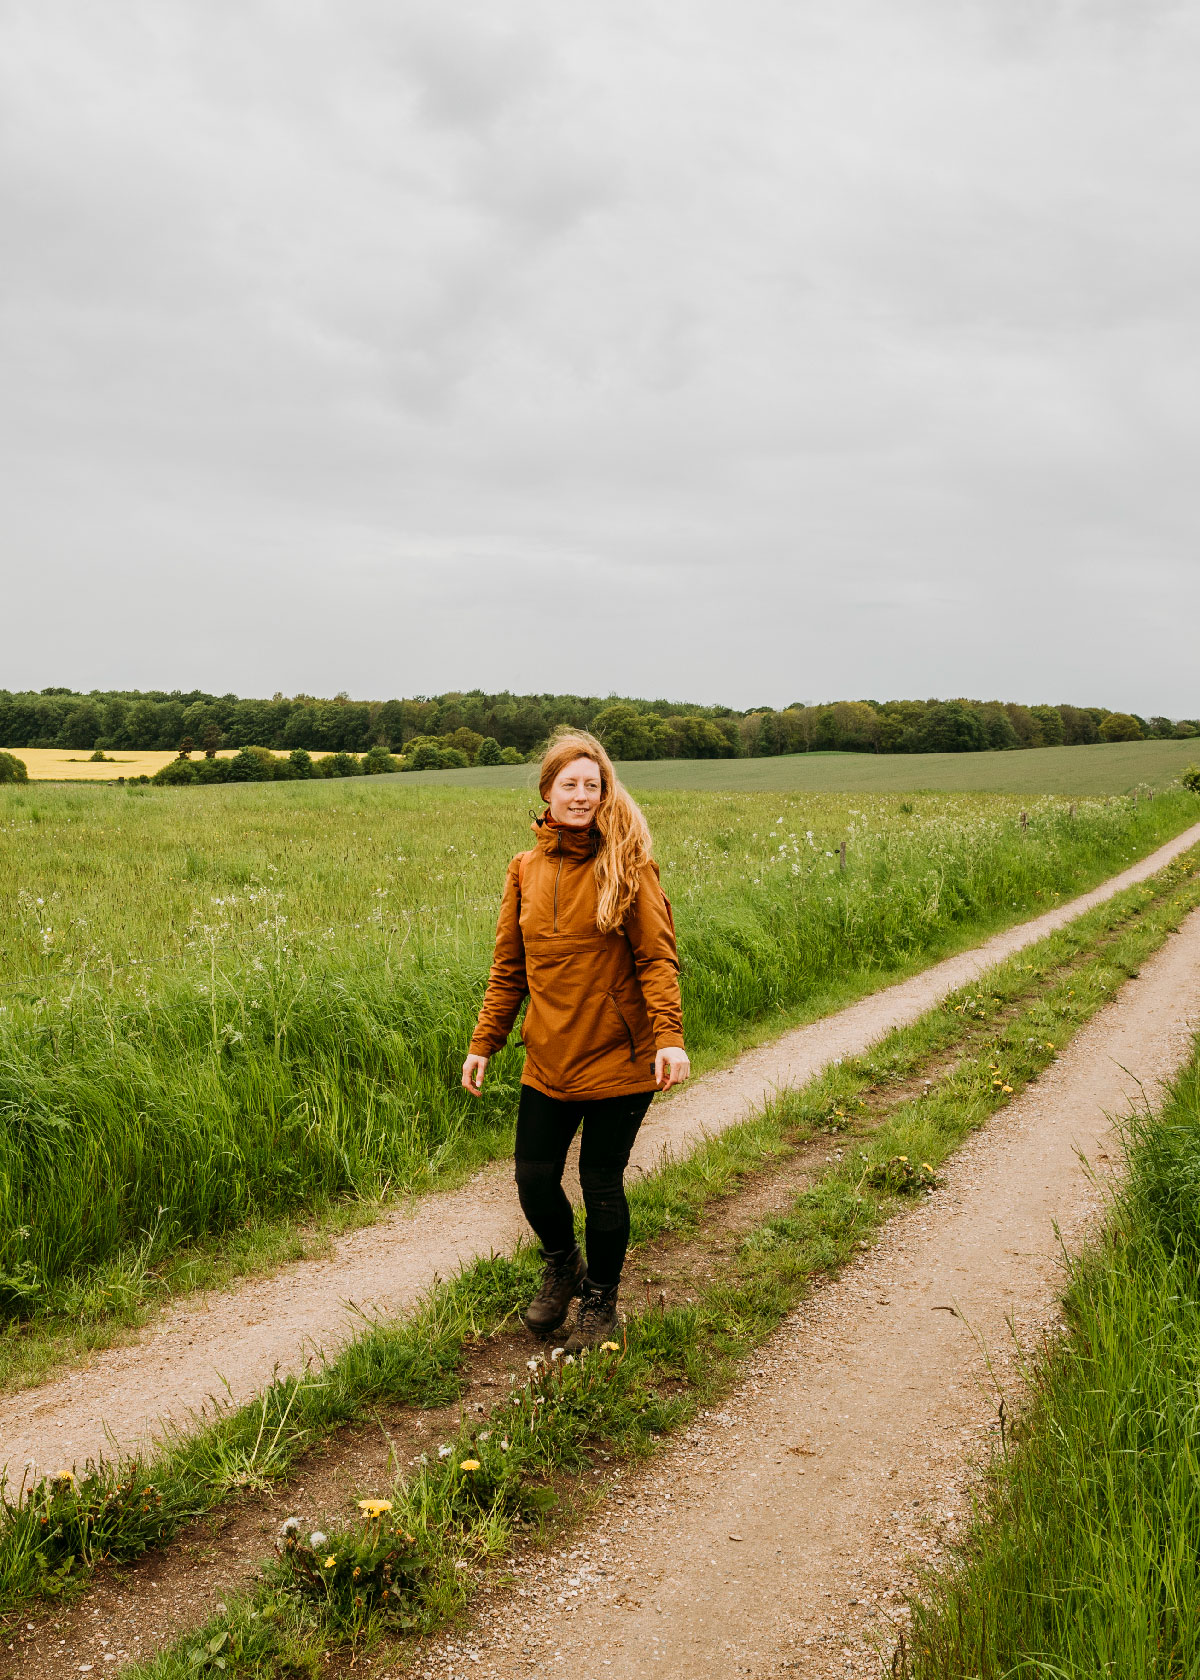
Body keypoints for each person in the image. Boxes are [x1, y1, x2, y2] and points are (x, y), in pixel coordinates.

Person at [462, 729, 690, 1350]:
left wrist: (668, 1037)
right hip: (548, 1056)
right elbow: (510, 969)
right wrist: (484, 1043)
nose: (583, 795)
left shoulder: (629, 864)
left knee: (600, 1183)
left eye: (593, 785)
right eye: (571, 784)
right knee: (533, 1179)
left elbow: (657, 961)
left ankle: (600, 1302)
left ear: (605, 791)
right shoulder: (524, 871)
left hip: (620, 1055)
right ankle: (564, 1264)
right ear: (548, 790)